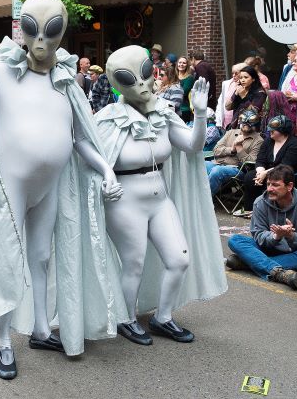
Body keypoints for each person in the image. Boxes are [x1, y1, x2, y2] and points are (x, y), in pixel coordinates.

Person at [0, 0, 122, 380]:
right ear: (21, 28)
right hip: (10, 186)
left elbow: (80, 136)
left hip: (49, 186)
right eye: (32, 28)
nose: (41, 40)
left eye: (51, 31)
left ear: (62, 32)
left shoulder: (66, 79)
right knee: (5, 260)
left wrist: (106, 169)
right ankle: (3, 342)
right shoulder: (1, 71)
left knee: (42, 257)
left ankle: (39, 330)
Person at [96, 45, 226, 346]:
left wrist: (201, 113)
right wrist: (106, 175)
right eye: (129, 78)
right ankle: (126, 318)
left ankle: (163, 317)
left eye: (144, 74)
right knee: (134, 262)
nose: (141, 85)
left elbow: (192, 146)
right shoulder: (108, 119)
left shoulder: (164, 112)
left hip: (158, 196)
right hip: (125, 200)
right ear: (117, 83)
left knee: (179, 258)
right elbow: (92, 159)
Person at [227, 165, 297, 290]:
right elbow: (258, 235)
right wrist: (275, 236)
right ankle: (277, 272)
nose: (270, 189)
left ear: (289, 186)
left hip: (292, 252)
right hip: (267, 247)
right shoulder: (260, 202)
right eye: (268, 184)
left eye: (275, 185)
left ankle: (248, 263)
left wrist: (291, 236)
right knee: (235, 240)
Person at [238, 115, 297, 217]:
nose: (270, 131)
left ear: (283, 130)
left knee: (272, 182)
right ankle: (251, 210)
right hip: (267, 172)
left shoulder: (295, 144)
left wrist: (265, 173)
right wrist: (260, 173)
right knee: (250, 177)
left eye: (273, 130)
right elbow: (260, 160)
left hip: (287, 173)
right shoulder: (268, 141)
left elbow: (286, 165)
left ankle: (269, 212)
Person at [206, 109, 263, 196]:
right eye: (243, 123)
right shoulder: (231, 132)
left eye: (248, 124)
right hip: (217, 163)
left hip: (237, 169)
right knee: (199, 165)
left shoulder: (258, 140)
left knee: (216, 171)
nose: (245, 125)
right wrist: (232, 150)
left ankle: (204, 201)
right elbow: (216, 150)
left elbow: (251, 163)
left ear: (255, 125)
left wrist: (239, 148)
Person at [216, 63, 247, 130]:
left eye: (236, 73)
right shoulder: (227, 83)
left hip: (239, 123)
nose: (233, 75)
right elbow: (221, 102)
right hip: (225, 122)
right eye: (232, 73)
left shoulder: (246, 86)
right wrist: (218, 121)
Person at [177, 55, 195, 122]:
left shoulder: (189, 78)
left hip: (184, 109)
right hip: (172, 108)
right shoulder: (174, 76)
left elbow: (183, 93)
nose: (181, 64)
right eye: (180, 62)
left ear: (187, 65)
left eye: (184, 63)